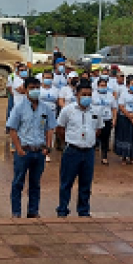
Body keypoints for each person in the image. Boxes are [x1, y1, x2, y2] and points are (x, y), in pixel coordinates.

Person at [7, 77, 55, 218]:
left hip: (39, 151)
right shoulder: (19, 107)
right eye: (31, 88)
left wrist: (47, 147)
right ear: (25, 89)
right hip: (24, 151)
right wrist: (18, 148)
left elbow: (49, 128)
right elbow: (12, 129)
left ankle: (33, 211)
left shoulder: (45, 108)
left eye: (37, 88)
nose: (35, 91)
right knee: (18, 182)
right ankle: (16, 212)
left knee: (35, 183)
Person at [56, 82, 100, 217]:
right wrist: (69, 141)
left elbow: (98, 129)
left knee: (86, 184)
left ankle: (83, 210)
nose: (87, 97)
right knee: (66, 183)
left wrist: (89, 140)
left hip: (88, 152)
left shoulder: (95, 111)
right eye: (83, 94)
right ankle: (62, 209)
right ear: (77, 95)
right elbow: (60, 128)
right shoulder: (67, 110)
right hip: (72, 151)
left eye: (89, 95)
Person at [92, 78, 117, 166]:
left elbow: (114, 108)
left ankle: (104, 157)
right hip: (95, 119)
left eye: (105, 86)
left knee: (105, 139)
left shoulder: (110, 96)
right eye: (101, 85)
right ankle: (92, 156)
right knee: (94, 138)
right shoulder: (93, 95)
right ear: (98, 86)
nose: (103, 87)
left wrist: (114, 119)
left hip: (107, 119)